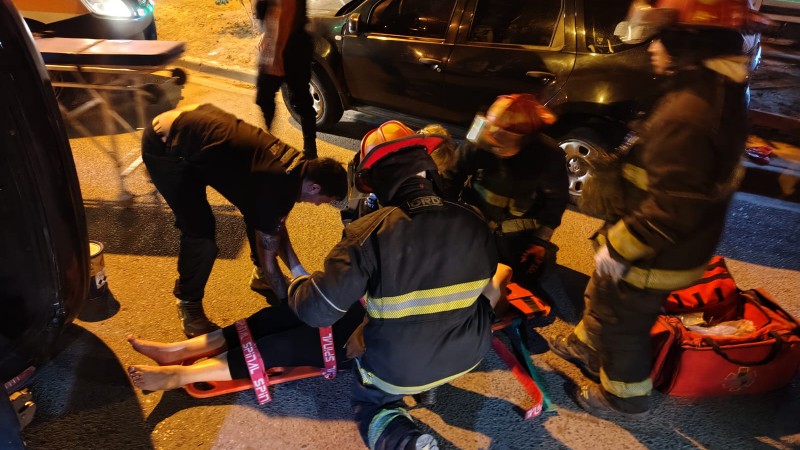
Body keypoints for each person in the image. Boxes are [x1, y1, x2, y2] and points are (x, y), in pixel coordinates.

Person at [548, 0, 763, 418]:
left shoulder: (690, 113)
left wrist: (620, 248)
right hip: (659, 238)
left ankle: (623, 397)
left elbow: (673, 207)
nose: (651, 48)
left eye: (661, 39)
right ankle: (586, 346)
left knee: (622, 322)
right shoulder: (707, 89)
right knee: (605, 294)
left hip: (655, 250)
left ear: (687, 43)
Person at [286, 120, 501, 450]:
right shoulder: (473, 218)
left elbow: (318, 311)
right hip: (469, 354)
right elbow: (487, 290)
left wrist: (297, 283)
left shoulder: (367, 234)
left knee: (370, 404)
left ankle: (404, 441)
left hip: (399, 368)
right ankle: (428, 384)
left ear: (373, 180)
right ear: (427, 168)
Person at [141, 103, 347, 337]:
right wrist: (290, 309)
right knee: (200, 233)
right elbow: (271, 246)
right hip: (166, 147)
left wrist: (300, 274)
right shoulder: (276, 189)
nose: (320, 205)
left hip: (199, 131)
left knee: (258, 214)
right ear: (314, 186)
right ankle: (189, 305)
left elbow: (273, 225)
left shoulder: (296, 169)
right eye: (324, 200)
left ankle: (260, 278)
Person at [441, 93, 571, 316]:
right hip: (477, 224)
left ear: (527, 138)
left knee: (519, 281)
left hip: (519, 236)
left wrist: (540, 241)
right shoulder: (479, 139)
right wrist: (443, 220)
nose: (497, 144)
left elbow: (556, 201)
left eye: (505, 139)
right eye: (494, 136)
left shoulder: (548, 157)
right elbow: (450, 179)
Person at [255, 0, 318, 158]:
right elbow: (275, 13)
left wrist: (276, 56)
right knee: (266, 98)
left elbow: (286, 12)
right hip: (283, 44)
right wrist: (268, 33)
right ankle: (271, 143)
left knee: (299, 101)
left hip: (290, 50)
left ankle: (309, 152)